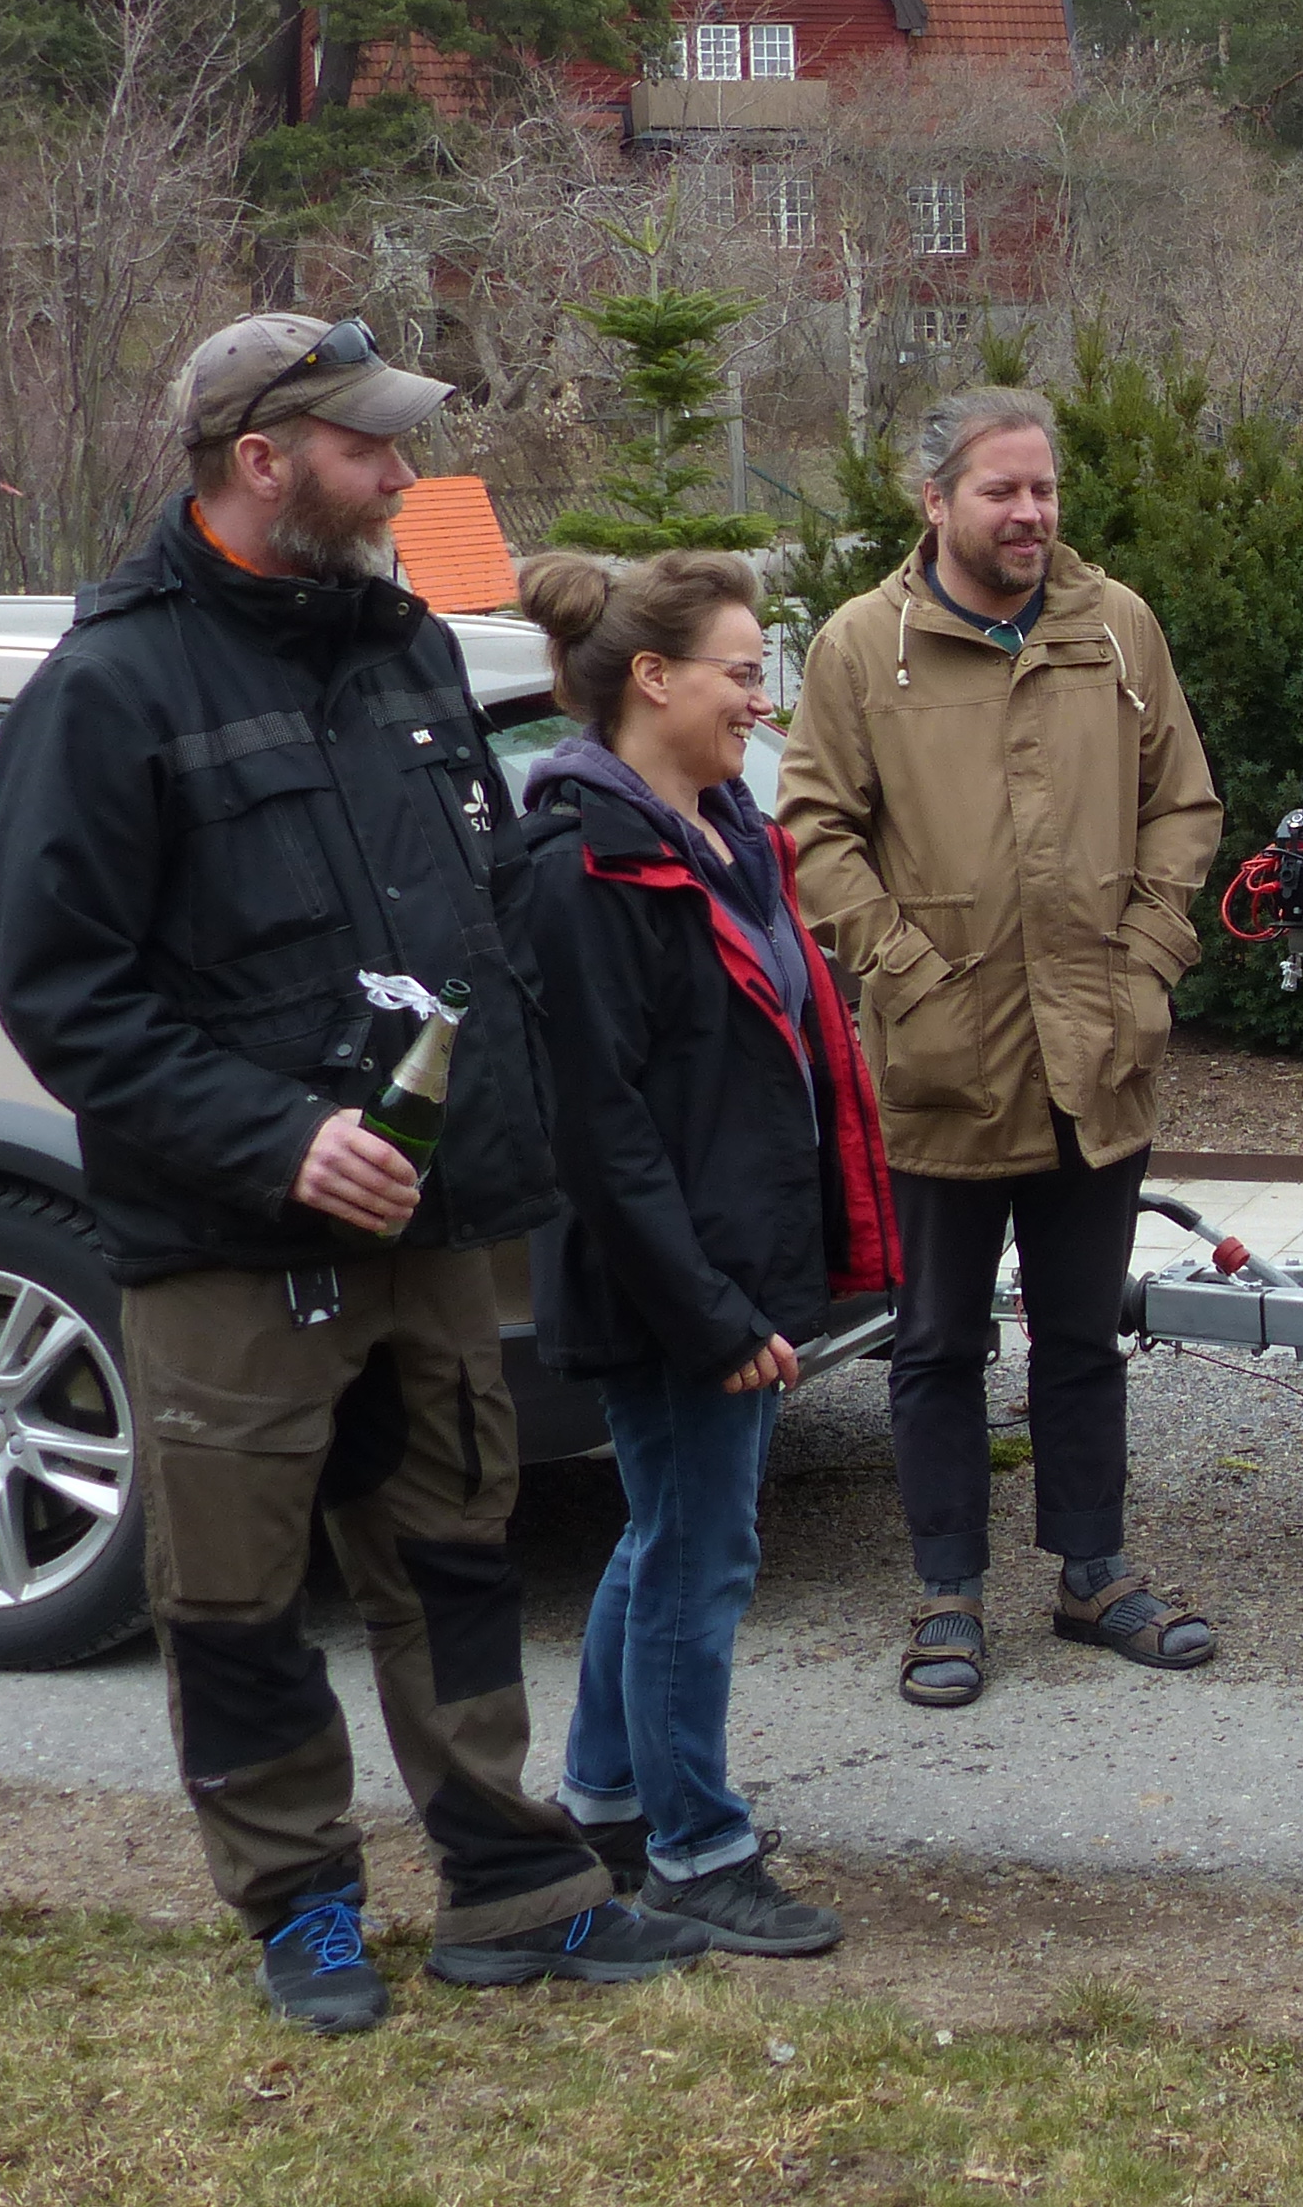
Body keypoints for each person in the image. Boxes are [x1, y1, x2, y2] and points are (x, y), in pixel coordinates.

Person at [0, 316, 708, 2034]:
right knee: (234, 1596)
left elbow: (468, 912)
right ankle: (299, 1906)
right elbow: (66, 997)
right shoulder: (111, 689)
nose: (404, 476)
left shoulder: (405, 651)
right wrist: (277, 1136)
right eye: (371, 449)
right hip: (234, 1246)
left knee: (454, 1553)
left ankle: (511, 1888)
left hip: (432, 1222)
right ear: (264, 462)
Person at [776, 386, 1225, 1711]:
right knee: (937, 1343)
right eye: (1000, 491)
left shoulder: (1115, 631)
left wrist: (1146, 961)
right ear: (937, 503)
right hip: (945, 1062)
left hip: (1099, 1051)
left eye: (1042, 490)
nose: (1029, 513)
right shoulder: (867, 648)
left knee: (1084, 1337)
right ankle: (947, 1595)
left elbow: (1181, 805)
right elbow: (811, 834)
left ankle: (1094, 1572)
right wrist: (907, 973)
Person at [513, 549, 901, 1957]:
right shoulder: (580, 869)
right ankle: (694, 1847)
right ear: (654, 680)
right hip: (669, 1289)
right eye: (744, 673)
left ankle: (608, 1798)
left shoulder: (726, 836)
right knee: (699, 1555)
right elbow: (603, 1133)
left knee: (667, 1534)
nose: (760, 699)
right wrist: (717, 1314)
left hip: (730, 1265)